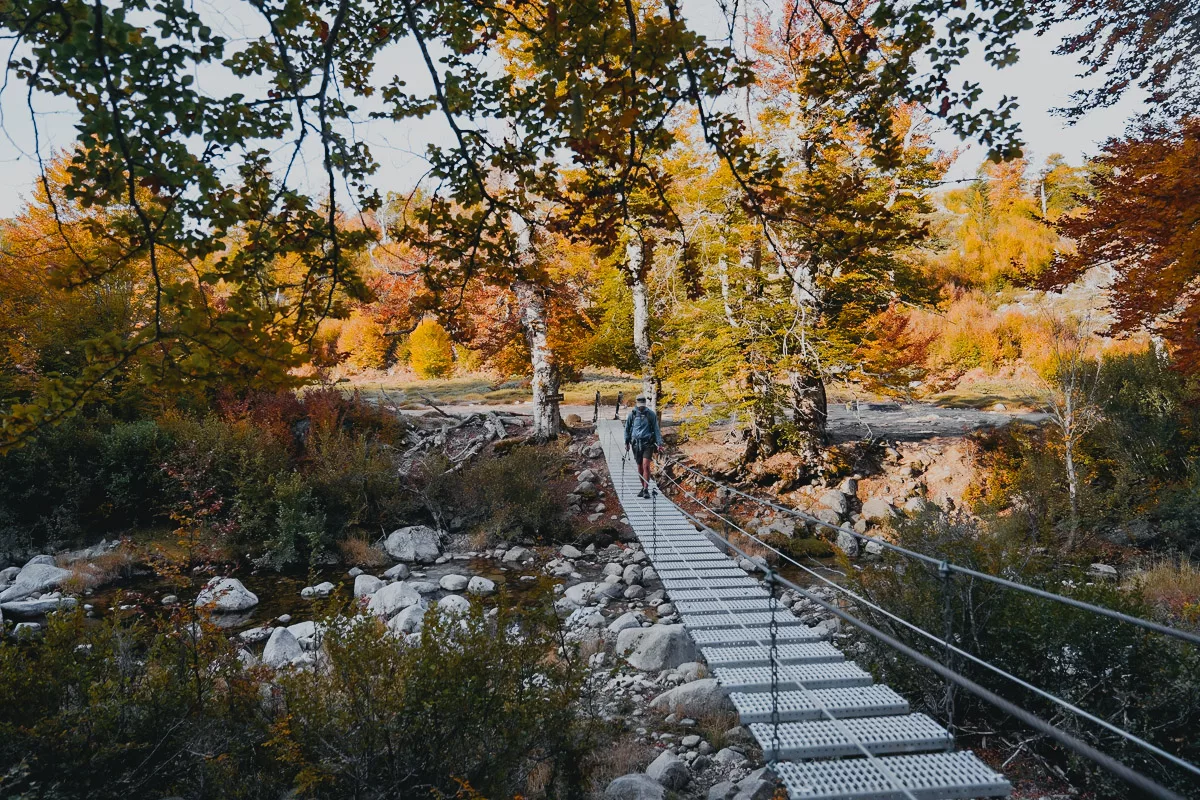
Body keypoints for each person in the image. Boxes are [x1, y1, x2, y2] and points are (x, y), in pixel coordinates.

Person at [624, 396, 664, 498]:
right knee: (639, 467)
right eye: (640, 406)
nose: (641, 408)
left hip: (648, 444)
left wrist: (659, 443)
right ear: (637, 404)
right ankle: (643, 487)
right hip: (635, 444)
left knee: (646, 465)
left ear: (645, 404)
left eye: (643, 406)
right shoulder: (632, 415)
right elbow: (627, 429)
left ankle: (646, 489)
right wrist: (626, 442)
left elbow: (656, 429)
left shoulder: (650, 414)